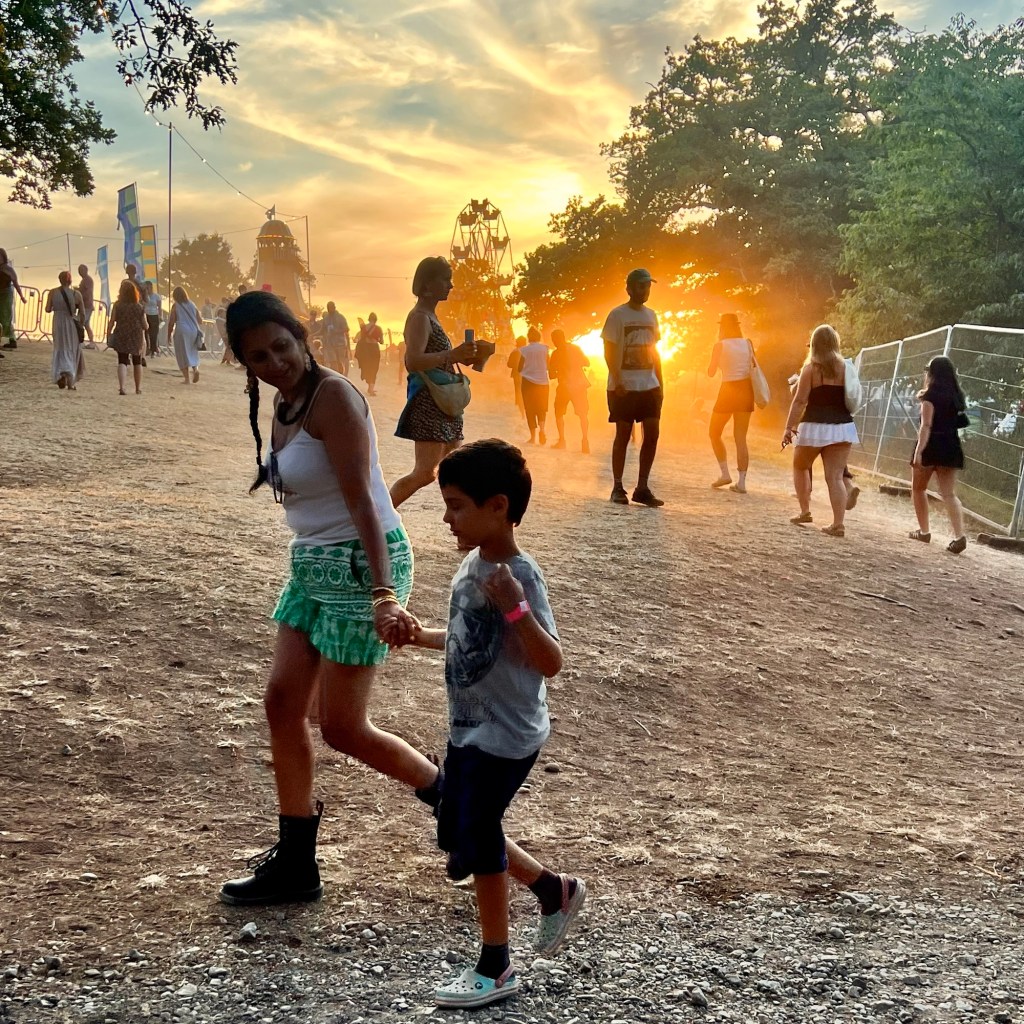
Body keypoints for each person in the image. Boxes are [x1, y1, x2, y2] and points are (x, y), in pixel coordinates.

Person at [217, 290, 436, 907]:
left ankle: (455, 802)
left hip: (360, 566)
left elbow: (365, 500)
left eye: (281, 346)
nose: (275, 363)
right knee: (282, 705)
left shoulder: (333, 397)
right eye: (258, 357)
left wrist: (384, 593)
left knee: (343, 728)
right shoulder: (283, 403)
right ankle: (296, 864)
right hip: (312, 565)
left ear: (301, 335)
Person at [393, 439, 586, 1008]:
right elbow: (468, 640)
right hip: (469, 727)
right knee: (459, 830)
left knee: (476, 840)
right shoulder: (472, 565)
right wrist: (418, 635)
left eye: (456, 506)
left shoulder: (520, 576)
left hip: (506, 735)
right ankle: (553, 890)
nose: (446, 518)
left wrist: (516, 608)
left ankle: (496, 967)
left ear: (498, 506)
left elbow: (551, 661)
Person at [390, 256, 478, 509]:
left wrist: (462, 357)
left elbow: (434, 358)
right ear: (427, 284)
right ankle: (376, 516)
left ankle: (465, 523)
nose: (450, 285)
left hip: (441, 402)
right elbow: (413, 361)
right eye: (445, 280)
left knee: (454, 469)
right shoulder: (420, 317)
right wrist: (452, 355)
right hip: (430, 402)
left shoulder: (429, 316)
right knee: (425, 473)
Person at [783, 324, 858, 537]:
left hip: (814, 426)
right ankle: (838, 524)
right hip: (842, 427)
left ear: (814, 344)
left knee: (800, 466)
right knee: (835, 477)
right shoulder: (846, 367)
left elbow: (800, 401)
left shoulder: (810, 369)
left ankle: (804, 511)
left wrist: (789, 427)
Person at [601, 268, 664, 507]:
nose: (645, 290)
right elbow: (608, 351)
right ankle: (617, 486)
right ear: (629, 289)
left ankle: (642, 487)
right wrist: (617, 379)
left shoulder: (652, 316)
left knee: (652, 433)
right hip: (624, 385)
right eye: (640, 286)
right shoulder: (617, 315)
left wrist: (660, 383)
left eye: (647, 286)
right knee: (624, 434)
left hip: (649, 384)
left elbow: (655, 351)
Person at [909, 356, 968, 553]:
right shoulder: (956, 398)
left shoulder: (929, 397)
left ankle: (924, 531)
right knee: (949, 493)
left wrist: (919, 452)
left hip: (931, 445)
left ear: (932, 374)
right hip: (950, 446)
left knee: (918, 488)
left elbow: (926, 426)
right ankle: (959, 535)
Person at [707, 312, 755, 493]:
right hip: (746, 390)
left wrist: (720, 362)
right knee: (740, 437)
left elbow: (711, 372)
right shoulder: (748, 343)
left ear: (722, 327)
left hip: (728, 390)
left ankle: (725, 473)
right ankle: (741, 482)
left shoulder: (720, 345)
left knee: (714, 432)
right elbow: (753, 366)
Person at [548, 329, 590, 453]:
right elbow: (587, 362)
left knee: (559, 413)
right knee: (583, 414)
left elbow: (551, 375)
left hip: (565, 387)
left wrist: (559, 371)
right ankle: (585, 441)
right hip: (579, 385)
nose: (554, 342)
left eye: (554, 340)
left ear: (555, 340)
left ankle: (562, 441)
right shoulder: (576, 348)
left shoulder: (555, 354)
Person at [46, 271, 85, 390]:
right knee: (71, 349)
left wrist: (57, 306)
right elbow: (83, 314)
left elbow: (47, 309)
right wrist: (80, 325)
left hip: (58, 322)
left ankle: (60, 373)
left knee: (59, 347)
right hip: (71, 323)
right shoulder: (76, 294)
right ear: (70, 281)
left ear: (60, 280)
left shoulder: (52, 292)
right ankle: (70, 380)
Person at [106, 279, 147, 395]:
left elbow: (112, 321)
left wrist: (108, 333)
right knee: (137, 361)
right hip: (136, 335)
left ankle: (122, 387)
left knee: (122, 360)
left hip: (121, 333)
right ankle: (137, 388)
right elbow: (145, 325)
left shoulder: (117, 305)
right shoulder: (139, 307)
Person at [518, 327, 550, 445]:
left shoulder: (524, 350)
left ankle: (532, 437)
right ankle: (542, 430)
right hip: (543, 382)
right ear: (539, 337)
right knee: (541, 408)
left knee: (530, 409)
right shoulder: (545, 349)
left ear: (529, 337)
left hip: (528, 382)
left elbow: (519, 368)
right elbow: (548, 365)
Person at [167, 285, 203, 384]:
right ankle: (195, 370)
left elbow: (171, 321)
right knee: (192, 352)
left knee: (182, 354)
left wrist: (168, 335)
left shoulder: (176, 306)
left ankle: (187, 379)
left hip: (181, 330)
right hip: (193, 331)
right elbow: (200, 320)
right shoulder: (192, 304)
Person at [1, 248, 28, 350]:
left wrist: (22, 297)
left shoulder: (8, 269)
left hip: (6, 294)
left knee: (6, 316)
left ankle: (12, 340)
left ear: (3, 257)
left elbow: (16, 283)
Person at [355, 312, 384, 395]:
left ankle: (369, 387)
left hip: (365, 350)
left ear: (369, 319)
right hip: (374, 349)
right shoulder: (378, 328)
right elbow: (382, 341)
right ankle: (371, 388)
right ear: (376, 319)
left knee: (367, 367)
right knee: (374, 368)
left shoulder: (363, 328)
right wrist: (376, 339)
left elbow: (359, 338)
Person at [321, 301, 350, 376]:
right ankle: (335, 376)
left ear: (334, 308)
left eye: (330, 308)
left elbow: (346, 329)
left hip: (340, 343)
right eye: (328, 308)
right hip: (330, 343)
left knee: (340, 362)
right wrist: (312, 335)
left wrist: (336, 331)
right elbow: (322, 330)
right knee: (332, 362)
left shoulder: (340, 317)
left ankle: (341, 375)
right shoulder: (326, 318)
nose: (329, 309)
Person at [507, 336, 527, 420]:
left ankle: (522, 415)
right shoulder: (528, 351)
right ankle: (528, 413)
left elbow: (509, 364)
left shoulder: (515, 351)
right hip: (528, 376)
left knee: (519, 395)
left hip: (517, 376)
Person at [77, 264, 96, 346]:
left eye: (81, 270)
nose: (79, 272)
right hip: (86, 305)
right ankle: (91, 342)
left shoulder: (87, 280)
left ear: (86, 270)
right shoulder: (85, 280)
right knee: (86, 324)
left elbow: (87, 292)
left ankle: (80, 341)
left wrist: (79, 293)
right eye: (79, 270)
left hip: (86, 305)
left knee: (80, 323)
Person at [142, 281, 162, 357]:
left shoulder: (156, 296)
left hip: (154, 315)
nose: (147, 289)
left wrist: (160, 316)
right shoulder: (144, 296)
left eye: (148, 287)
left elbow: (159, 307)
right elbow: (142, 305)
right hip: (146, 315)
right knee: (146, 332)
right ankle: (147, 348)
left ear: (151, 287)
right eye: (146, 288)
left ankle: (153, 349)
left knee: (154, 333)